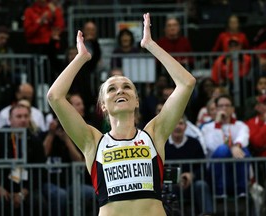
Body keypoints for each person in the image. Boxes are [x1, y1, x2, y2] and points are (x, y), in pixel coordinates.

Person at [47, 13, 196, 216]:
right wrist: (80, 58)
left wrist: (150, 44)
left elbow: (186, 83)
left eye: (127, 86)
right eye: (111, 89)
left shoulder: (153, 134)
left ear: (136, 101)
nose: (120, 90)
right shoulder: (92, 141)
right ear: (103, 105)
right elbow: (55, 97)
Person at [0, 103, 47, 216]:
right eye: (19, 116)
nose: (23, 120)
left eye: (26, 116)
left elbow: (39, 171)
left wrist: (24, 192)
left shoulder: (35, 141)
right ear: (10, 119)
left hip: (26, 187)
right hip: (1, 185)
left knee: (37, 201)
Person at [201, 94, 251, 196]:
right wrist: (217, 124)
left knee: (244, 151)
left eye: (227, 105)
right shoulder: (207, 128)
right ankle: (220, 192)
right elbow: (213, 146)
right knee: (223, 149)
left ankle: (242, 192)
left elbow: (244, 137)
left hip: (235, 169)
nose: (224, 108)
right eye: (220, 106)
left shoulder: (240, 125)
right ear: (216, 109)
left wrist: (237, 146)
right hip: (215, 171)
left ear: (232, 109)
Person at [165, 115, 213, 215]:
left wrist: (191, 175)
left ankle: (207, 214)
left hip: (192, 185)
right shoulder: (163, 144)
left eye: (181, 124)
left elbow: (203, 168)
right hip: (172, 185)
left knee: (201, 185)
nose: (177, 127)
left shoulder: (195, 143)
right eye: (174, 124)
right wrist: (175, 178)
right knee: (168, 188)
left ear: (186, 127)